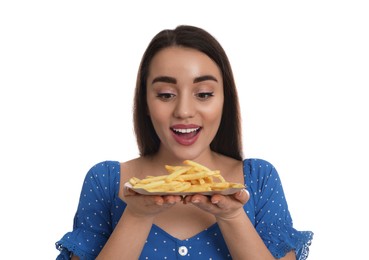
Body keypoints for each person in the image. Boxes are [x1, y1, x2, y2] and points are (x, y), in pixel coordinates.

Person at [55, 25, 313, 260]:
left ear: (225, 99)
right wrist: (136, 215)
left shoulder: (258, 179)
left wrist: (233, 216)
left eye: (203, 94)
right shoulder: (107, 181)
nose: (184, 111)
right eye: (166, 95)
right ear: (145, 102)